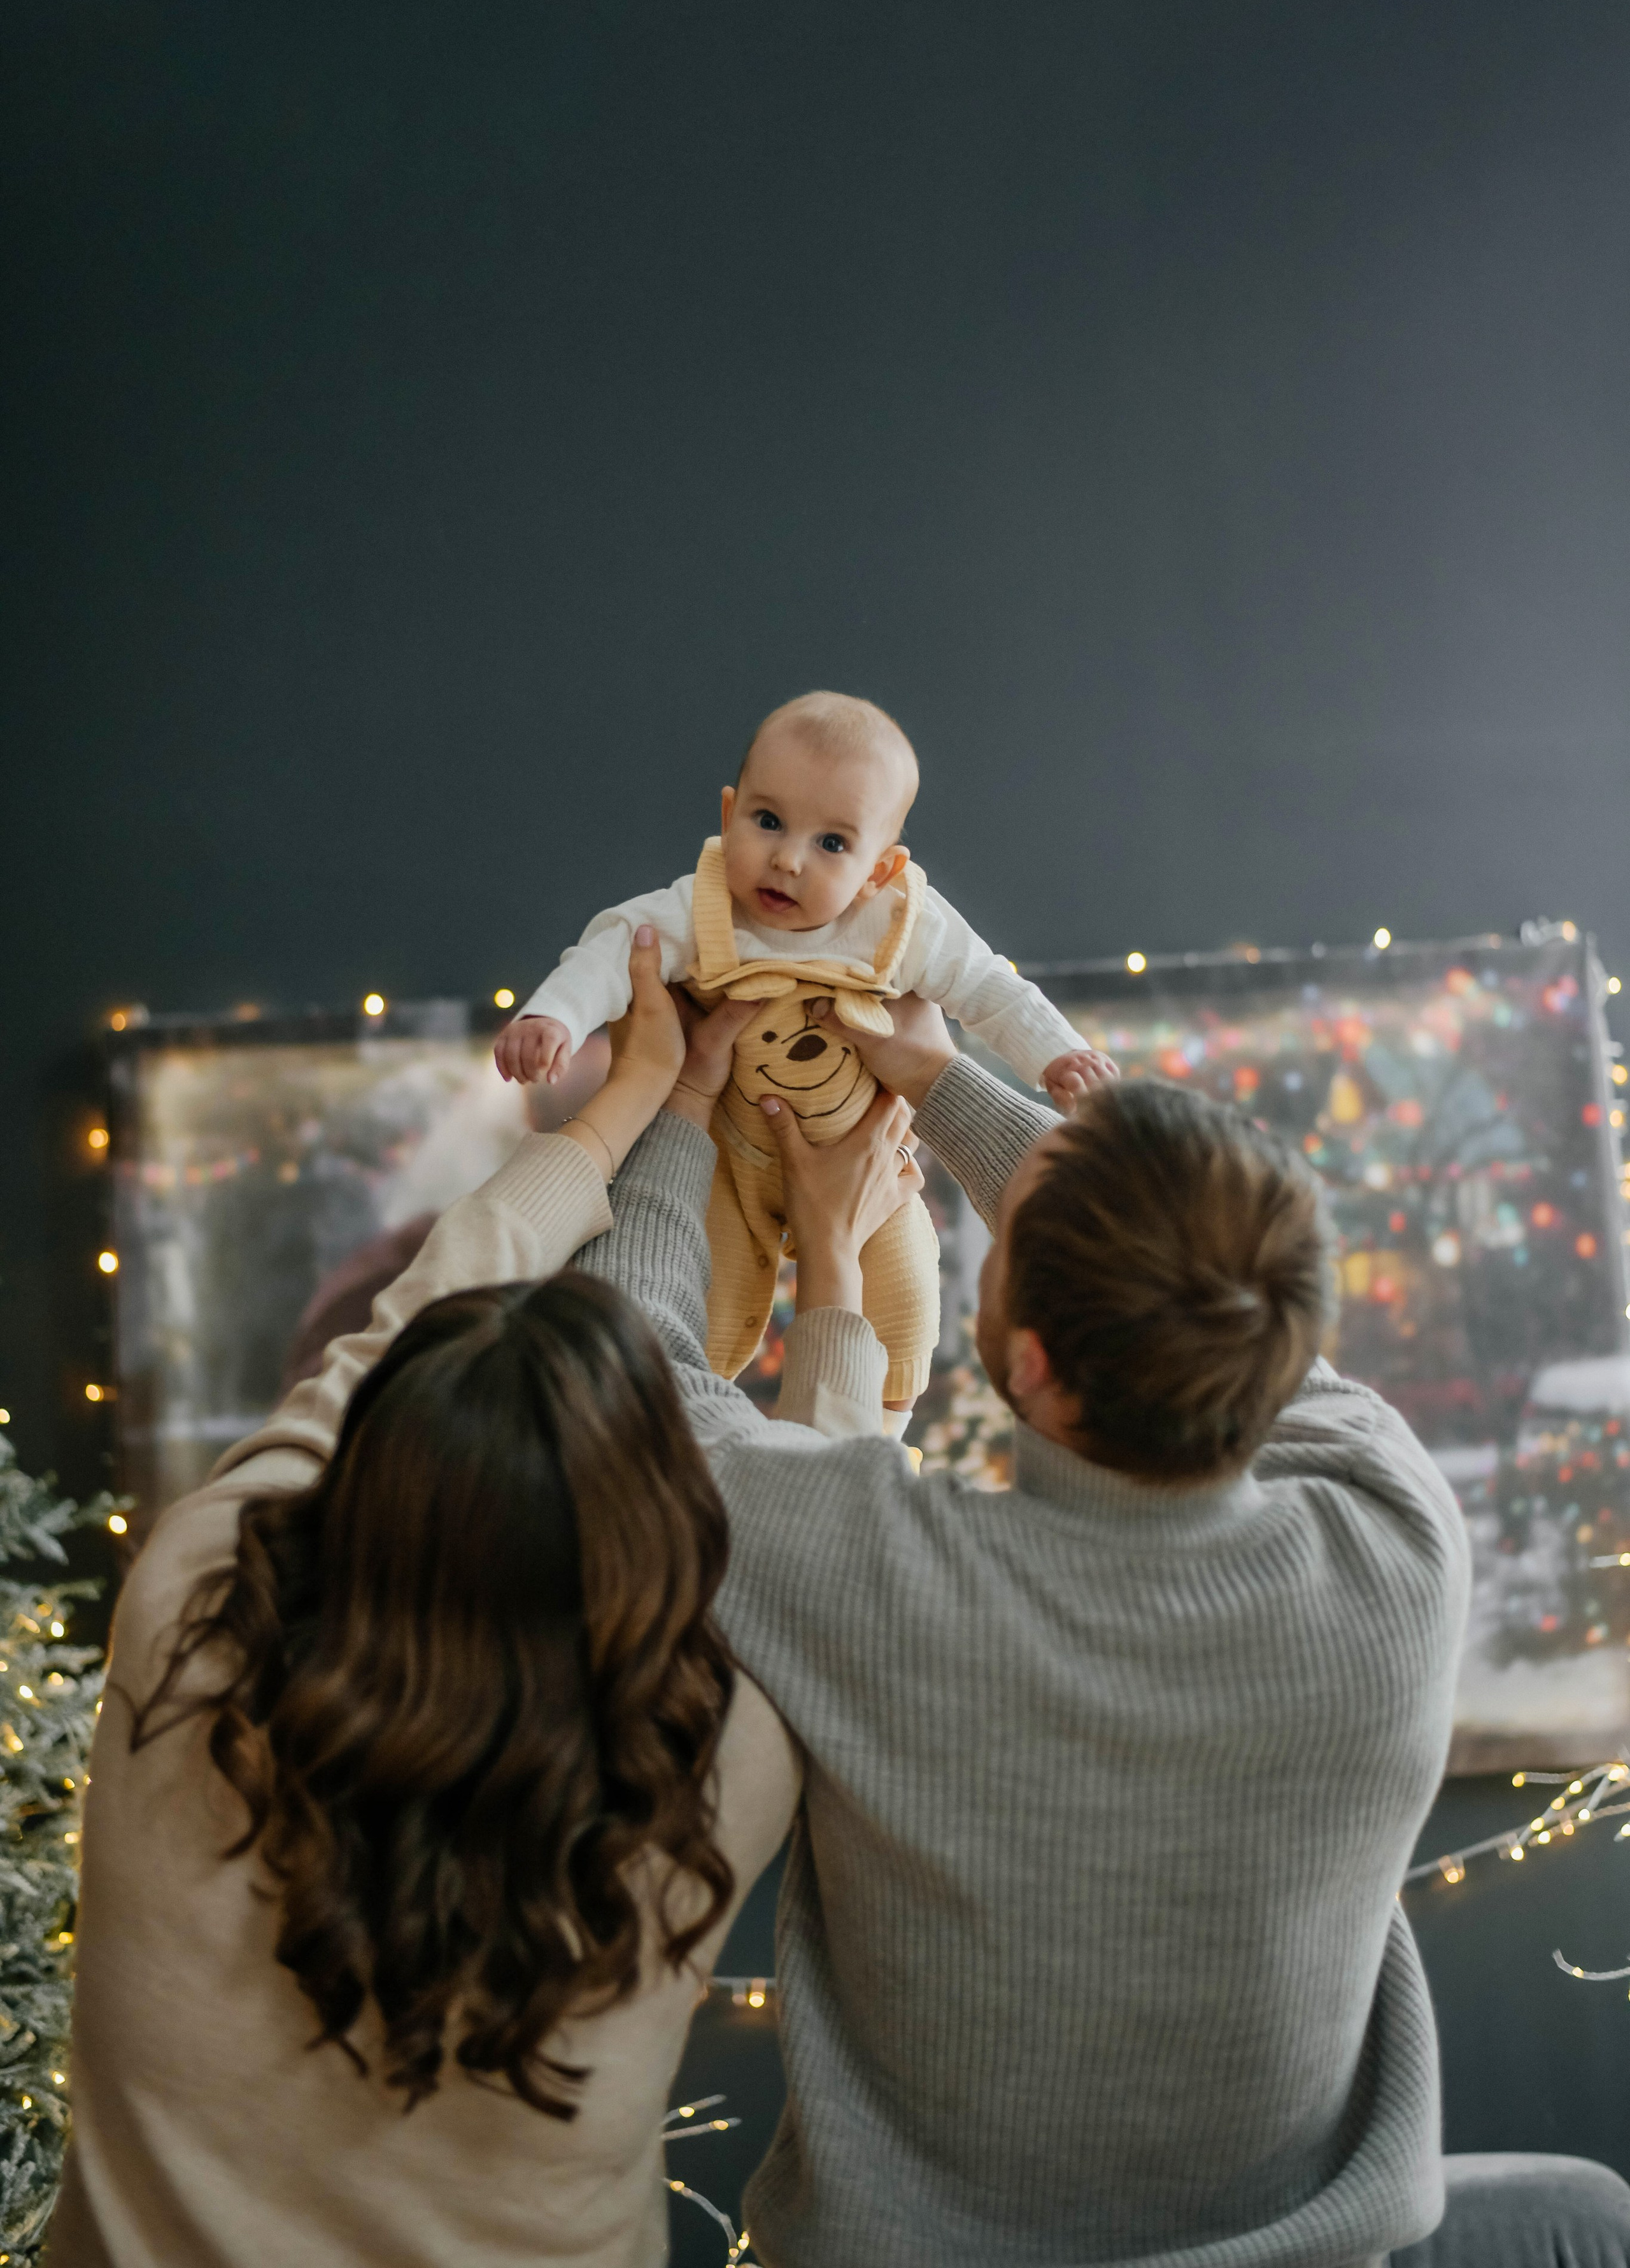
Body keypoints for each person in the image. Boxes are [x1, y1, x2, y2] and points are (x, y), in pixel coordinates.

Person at [46, 937, 913, 2268]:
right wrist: (834, 1267)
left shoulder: (186, 1609)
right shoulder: (705, 1776)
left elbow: (405, 1319)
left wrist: (645, 1095)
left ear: (375, 1457)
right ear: (654, 1540)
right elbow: (828, 1556)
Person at [578, 986, 1475, 2268]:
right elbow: (1232, 1301)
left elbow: (627, 1377)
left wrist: (674, 1103)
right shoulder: (1397, 1543)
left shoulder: (873, 1572)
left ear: (1032, 1367)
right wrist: (941, 1082)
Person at [492, 690, 1113, 1413]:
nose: (786, 859)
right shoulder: (701, 910)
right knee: (695, 1304)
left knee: (904, 1306)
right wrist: (555, 1016)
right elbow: (608, 957)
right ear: (728, 817)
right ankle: (686, 1429)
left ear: (881, 869)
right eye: (767, 822)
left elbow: (989, 988)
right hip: (724, 1156)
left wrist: (1058, 1057)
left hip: (866, 1155)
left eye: (832, 843)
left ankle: (878, 1444)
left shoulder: (900, 925)